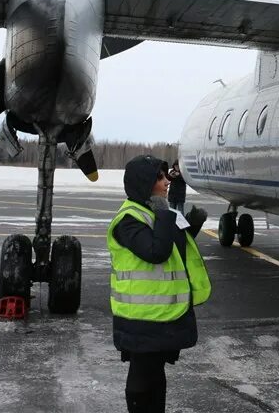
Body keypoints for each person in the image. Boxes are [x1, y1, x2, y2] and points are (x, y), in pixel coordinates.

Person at [108, 155, 211, 413]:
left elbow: (172, 247)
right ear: (144, 183)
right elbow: (156, 252)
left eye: (166, 176)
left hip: (160, 315)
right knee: (142, 375)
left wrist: (192, 225)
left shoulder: (151, 210)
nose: (167, 181)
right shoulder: (129, 219)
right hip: (141, 316)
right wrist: (165, 214)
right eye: (160, 177)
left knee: (155, 372)